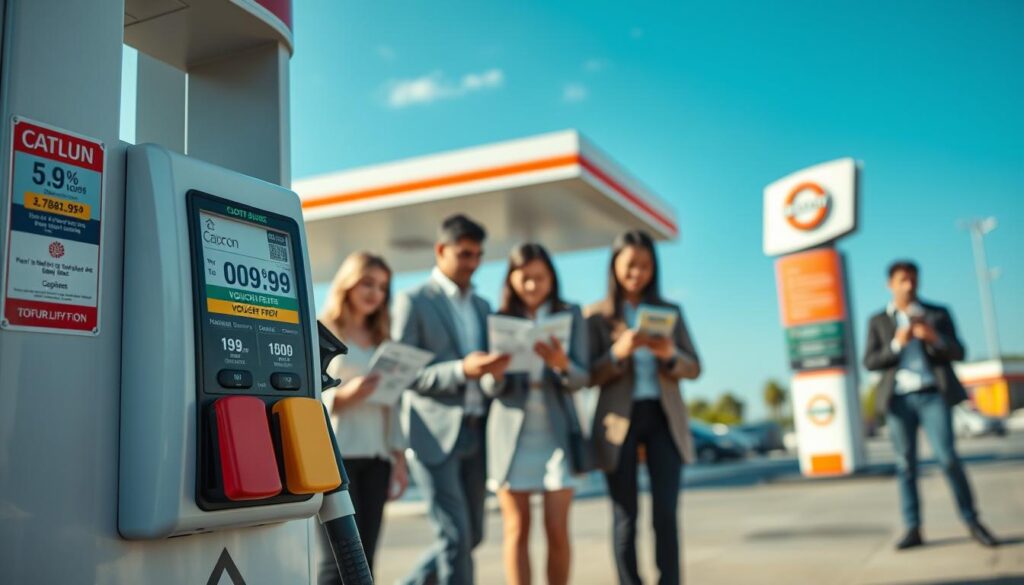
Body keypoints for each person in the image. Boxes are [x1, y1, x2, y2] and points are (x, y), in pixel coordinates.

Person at [393, 214, 511, 585]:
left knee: (471, 535)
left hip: (478, 433)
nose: (472, 263)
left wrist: (495, 374)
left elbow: (487, 377)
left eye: (478, 255)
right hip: (435, 435)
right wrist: (462, 370)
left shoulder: (483, 307)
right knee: (456, 537)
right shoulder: (413, 301)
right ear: (441, 250)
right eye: (464, 254)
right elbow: (406, 374)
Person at [586, 230, 701, 585]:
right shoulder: (595, 317)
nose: (638, 273)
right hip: (619, 421)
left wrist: (670, 356)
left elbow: (694, 367)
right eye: (630, 265)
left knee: (665, 513)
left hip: (663, 418)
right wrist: (618, 353)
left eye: (646, 265)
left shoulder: (670, 311)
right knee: (625, 515)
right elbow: (587, 373)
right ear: (614, 267)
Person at [863, 260, 999, 550]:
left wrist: (934, 337)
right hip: (898, 399)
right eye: (903, 280)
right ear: (891, 284)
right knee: (905, 465)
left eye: (913, 280)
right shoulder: (879, 320)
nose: (909, 285)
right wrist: (897, 344)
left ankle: (972, 520)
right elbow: (870, 362)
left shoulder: (937, 314)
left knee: (948, 458)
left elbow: (960, 351)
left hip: (933, 394)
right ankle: (913, 528)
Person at [483, 243, 589, 585]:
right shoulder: (497, 319)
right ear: (511, 279)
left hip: (557, 433)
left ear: (551, 279)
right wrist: (494, 372)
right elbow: (488, 387)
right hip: (510, 434)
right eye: (524, 278)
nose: (532, 286)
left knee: (557, 529)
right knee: (516, 529)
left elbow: (583, 377)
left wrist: (563, 366)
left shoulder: (571, 314)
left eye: (539, 278)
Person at [317, 251, 409, 582]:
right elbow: (307, 396)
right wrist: (346, 395)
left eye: (383, 287)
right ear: (348, 283)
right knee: (335, 560)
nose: (375, 293)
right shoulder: (323, 330)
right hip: (336, 458)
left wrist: (398, 457)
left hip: (377, 457)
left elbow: (392, 404)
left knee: (365, 559)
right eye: (368, 283)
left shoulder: (383, 340)